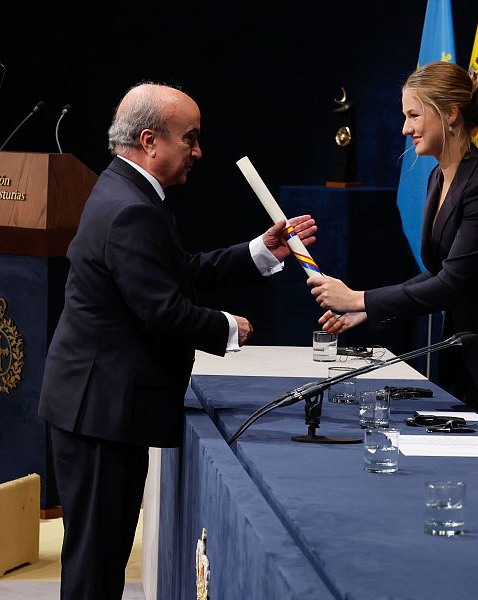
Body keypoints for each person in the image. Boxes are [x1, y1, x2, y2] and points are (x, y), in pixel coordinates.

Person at [38, 83, 317, 599]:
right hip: (100, 413)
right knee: (96, 565)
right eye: (190, 138)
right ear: (150, 141)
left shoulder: (124, 190)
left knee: (96, 557)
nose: (198, 151)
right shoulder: (132, 208)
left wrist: (259, 251)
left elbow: (172, 275)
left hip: (95, 406)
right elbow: (162, 309)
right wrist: (229, 327)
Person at [306, 61, 478, 446]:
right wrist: (367, 308)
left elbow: (450, 284)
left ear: (449, 113)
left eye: (414, 115)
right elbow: (438, 270)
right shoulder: (438, 176)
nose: (405, 128)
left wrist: (358, 297)